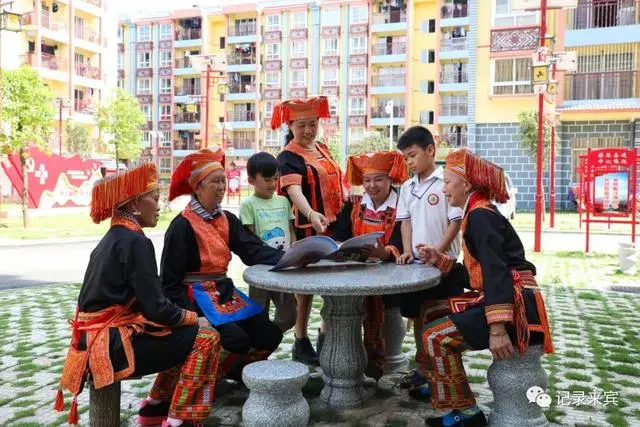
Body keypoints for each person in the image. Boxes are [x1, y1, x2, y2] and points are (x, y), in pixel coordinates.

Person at [54, 164, 219, 427]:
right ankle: (180, 420)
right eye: (154, 198)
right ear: (133, 204)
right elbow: (156, 308)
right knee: (205, 337)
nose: (159, 205)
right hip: (111, 346)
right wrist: (192, 318)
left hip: (97, 340)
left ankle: (155, 408)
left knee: (174, 334)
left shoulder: (114, 237)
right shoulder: (135, 241)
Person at [417, 148, 553, 427]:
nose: (444, 190)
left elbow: (496, 273)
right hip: (502, 296)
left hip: (516, 308)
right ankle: (439, 383)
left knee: (435, 336)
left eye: (447, 182)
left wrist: (498, 329)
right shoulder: (476, 213)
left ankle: (466, 413)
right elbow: (477, 275)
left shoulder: (480, 216)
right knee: (429, 310)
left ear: (466, 185)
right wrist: (441, 260)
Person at [161, 149, 283, 384]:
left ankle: (233, 372)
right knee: (236, 340)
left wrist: (290, 257)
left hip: (223, 290)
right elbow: (169, 282)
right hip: (194, 297)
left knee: (270, 334)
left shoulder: (226, 218)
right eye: (214, 182)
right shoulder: (182, 226)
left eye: (223, 180)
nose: (221, 187)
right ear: (197, 187)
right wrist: (190, 315)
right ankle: (203, 381)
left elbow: (252, 250)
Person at [274, 96, 345, 365]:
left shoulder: (323, 148)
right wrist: (311, 213)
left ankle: (325, 336)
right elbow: (293, 191)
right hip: (309, 228)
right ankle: (300, 340)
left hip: (335, 224)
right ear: (290, 125)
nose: (308, 130)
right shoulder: (288, 156)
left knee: (332, 282)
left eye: (313, 124)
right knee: (305, 288)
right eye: (301, 124)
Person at [394, 126, 464, 398]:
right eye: (405, 158)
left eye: (412, 155)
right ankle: (424, 369)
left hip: (445, 266)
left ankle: (446, 376)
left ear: (430, 150)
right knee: (419, 317)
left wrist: (439, 251)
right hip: (417, 269)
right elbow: (405, 222)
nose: (409, 162)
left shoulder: (446, 181)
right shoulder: (407, 188)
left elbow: (455, 221)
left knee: (442, 321)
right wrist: (408, 250)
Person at [333, 150, 408, 381]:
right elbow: (341, 234)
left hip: (390, 273)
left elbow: (401, 242)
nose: (372, 186)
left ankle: (382, 359)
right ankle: (347, 359)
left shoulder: (402, 205)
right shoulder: (353, 205)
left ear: (390, 179)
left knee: (388, 309)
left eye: (379, 179)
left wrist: (383, 252)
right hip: (357, 271)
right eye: (367, 180)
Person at [239, 152, 297, 333]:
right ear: (251, 180)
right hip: (260, 269)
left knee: (289, 314)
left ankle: (269, 336)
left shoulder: (283, 201)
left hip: (284, 267)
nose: (272, 184)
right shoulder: (248, 204)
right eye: (267, 180)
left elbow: (291, 230)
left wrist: (294, 254)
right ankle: (258, 348)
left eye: (275, 179)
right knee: (258, 314)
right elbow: (250, 238)